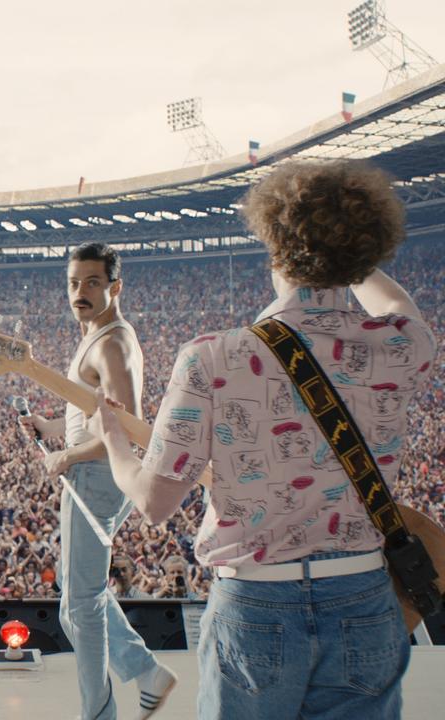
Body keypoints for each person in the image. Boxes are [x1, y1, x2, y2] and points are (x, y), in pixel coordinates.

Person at [89, 160, 435, 719]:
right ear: (365, 253)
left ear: (275, 250)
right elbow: (398, 306)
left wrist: (113, 439)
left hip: (256, 600)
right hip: (365, 594)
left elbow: (153, 502)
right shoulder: (398, 346)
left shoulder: (214, 356)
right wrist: (354, 260)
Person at [19, 242, 175, 720]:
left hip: (98, 477)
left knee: (80, 605)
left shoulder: (111, 343)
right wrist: (52, 429)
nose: (79, 292)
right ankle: (145, 672)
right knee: (77, 595)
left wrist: (66, 454)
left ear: (115, 286)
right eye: (73, 283)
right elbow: (94, 411)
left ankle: (102, 711)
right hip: (94, 472)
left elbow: (127, 430)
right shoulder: (97, 333)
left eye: (91, 282)